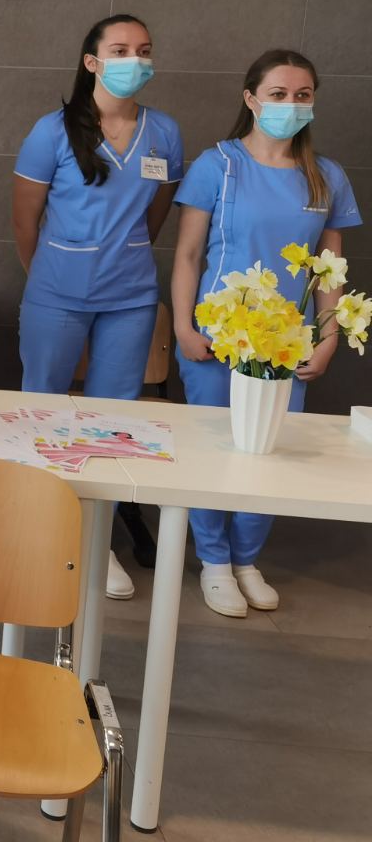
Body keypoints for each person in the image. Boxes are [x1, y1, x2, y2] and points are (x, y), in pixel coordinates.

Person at [171, 49, 360, 617]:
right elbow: (187, 255)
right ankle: (214, 561)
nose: (290, 105)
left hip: (286, 345)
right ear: (251, 99)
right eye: (278, 94)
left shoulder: (327, 177)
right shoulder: (218, 165)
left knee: (269, 452)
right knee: (213, 448)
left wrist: (327, 337)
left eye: (302, 95)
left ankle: (247, 560)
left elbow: (329, 271)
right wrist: (183, 327)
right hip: (218, 337)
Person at [12, 14, 183, 601]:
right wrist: (49, 275)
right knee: (42, 411)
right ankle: (39, 528)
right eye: (121, 49)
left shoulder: (164, 132)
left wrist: (120, 254)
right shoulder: (51, 131)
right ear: (92, 62)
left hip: (129, 297)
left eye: (144, 49)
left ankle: (96, 541)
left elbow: (155, 214)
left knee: (112, 422)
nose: (136, 60)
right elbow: (24, 219)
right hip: (56, 291)